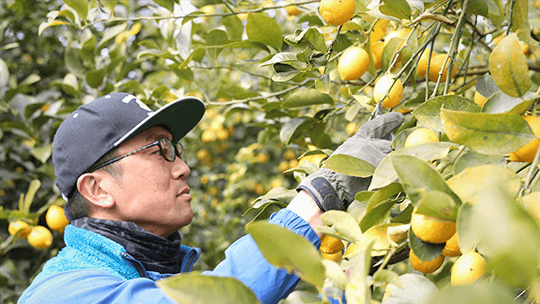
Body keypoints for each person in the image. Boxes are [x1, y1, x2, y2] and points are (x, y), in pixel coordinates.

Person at [17, 92, 404, 304]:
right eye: (159, 150)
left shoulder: (151, 277)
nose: (181, 167)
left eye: (177, 149)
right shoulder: (62, 293)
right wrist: (317, 199)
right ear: (97, 189)